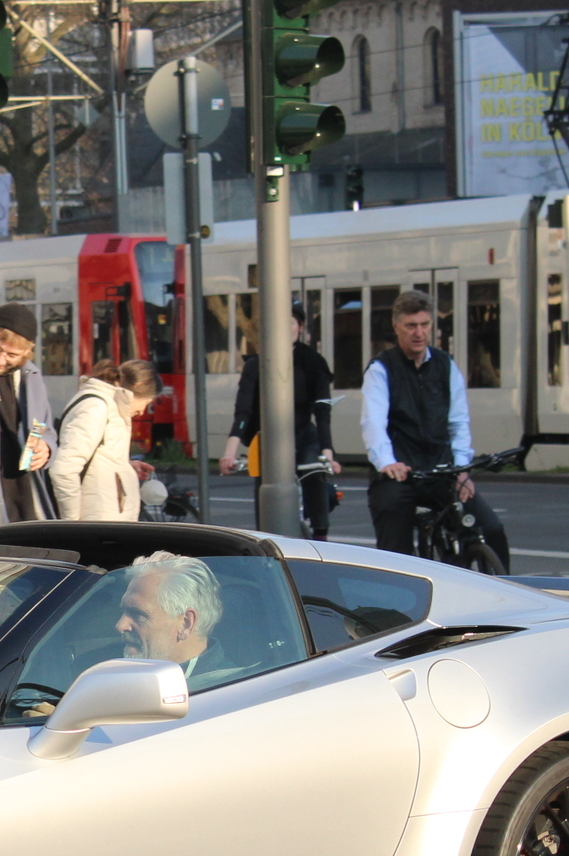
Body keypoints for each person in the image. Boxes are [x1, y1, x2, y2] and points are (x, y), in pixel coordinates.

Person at [362, 289, 511, 567]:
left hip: (441, 470)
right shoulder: (381, 369)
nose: (419, 332)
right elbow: (374, 422)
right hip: (400, 474)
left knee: (491, 529)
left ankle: (504, 590)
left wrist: (462, 469)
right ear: (397, 327)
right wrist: (387, 462)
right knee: (395, 547)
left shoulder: (445, 365)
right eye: (411, 326)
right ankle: (397, 603)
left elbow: (458, 422)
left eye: (425, 325)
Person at [221, 301, 341, 536]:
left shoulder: (314, 362)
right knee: (266, 491)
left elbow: (322, 410)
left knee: (314, 472)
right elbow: (243, 411)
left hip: (304, 433)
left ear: (300, 327)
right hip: (268, 438)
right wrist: (230, 452)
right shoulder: (255, 365)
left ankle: (321, 535)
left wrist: (328, 451)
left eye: (291, 323)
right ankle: (267, 541)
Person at [49, 359, 160, 521]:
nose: (142, 412)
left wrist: (123, 465)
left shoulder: (107, 405)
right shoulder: (97, 408)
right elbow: (64, 470)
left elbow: (94, 456)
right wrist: (71, 522)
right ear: (137, 388)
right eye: (147, 402)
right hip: (96, 523)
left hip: (101, 520)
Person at [0, 303, 55, 521]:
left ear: (27, 352)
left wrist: (46, 447)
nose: (0, 361)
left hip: (25, 494)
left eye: (12, 355)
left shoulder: (32, 376)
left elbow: (45, 427)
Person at [116, 550, 223, 686]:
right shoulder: (105, 667)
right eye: (124, 612)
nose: (120, 625)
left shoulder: (227, 690)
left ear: (185, 624)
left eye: (137, 613)